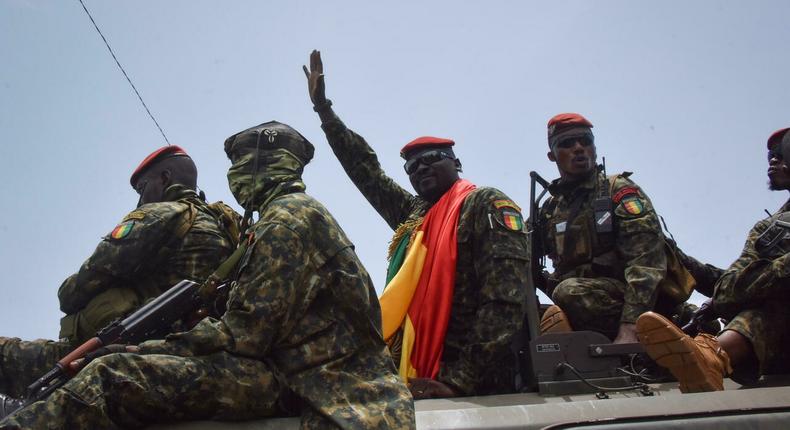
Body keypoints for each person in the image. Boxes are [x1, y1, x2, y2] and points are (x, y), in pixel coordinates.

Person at [0, 121, 415, 429]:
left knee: (112, 376)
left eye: (239, 166)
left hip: (313, 383)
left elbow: (243, 335)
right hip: (301, 372)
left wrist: (145, 351)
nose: (233, 177)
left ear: (262, 167)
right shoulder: (265, 222)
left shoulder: (286, 221)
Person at [304, 50, 528, 399]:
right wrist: (325, 111)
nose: (420, 169)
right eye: (411, 168)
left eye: (430, 160)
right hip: (421, 371)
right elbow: (366, 171)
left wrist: (458, 380)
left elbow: (504, 299)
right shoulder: (416, 215)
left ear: (456, 162)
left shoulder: (482, 204)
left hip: (476, 382)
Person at [0, 145, 238, 399]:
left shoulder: (159, 215)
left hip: (123, 350)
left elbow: (72, 293)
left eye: (142, 188)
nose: (140, 199)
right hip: (187, 351)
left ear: (164, 178)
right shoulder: (229, 228)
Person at [637, 127, 790, 392]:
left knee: (775, 299)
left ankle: (713, 357)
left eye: (783, 152)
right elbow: (730, 286)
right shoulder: (769, 229)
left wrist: (762, 282)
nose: (774, 160)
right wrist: (675, 256)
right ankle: (708, 358)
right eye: (770, 156)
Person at [535, 113, 693, 344]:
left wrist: (630, 328)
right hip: (581, 300)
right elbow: (520, 256)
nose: (579, 148)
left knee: (568, 292)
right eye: (567, 144)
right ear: (552, 155)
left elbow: (646, 263)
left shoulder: (617, 191)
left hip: (635, 299)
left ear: (595, 148)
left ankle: (669, 327)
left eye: (585, 141)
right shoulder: (549, 209)